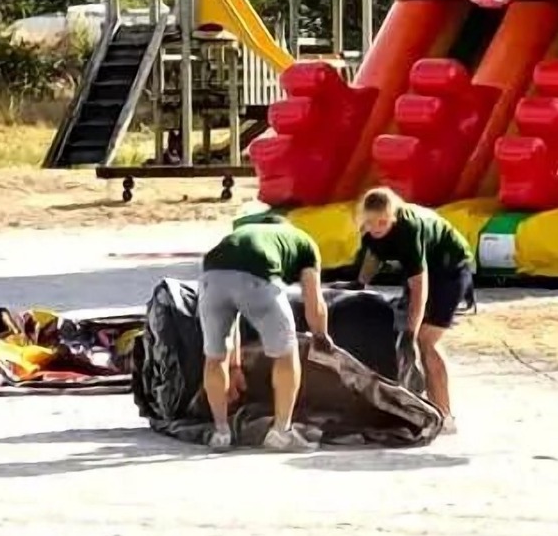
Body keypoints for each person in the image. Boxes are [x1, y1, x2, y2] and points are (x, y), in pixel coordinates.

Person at [198, 215, 332, 452]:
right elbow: (314, 302)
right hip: (257, 276)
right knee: (286, 352)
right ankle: (281, 432)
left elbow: (234, 316)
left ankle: (220, 432)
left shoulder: (243, 234)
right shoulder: (303, 241)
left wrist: (235, 365)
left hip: (211, 276)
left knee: (215, 356)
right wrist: (321, 336)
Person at [351, 187, 474, 433]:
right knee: (402, 331)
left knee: (425, 341)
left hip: (449, 270)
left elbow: (420, 285)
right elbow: (373, 255)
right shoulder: (370, 231)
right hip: (419, 273)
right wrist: (359, 284)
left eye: (382, 222)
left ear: (393, 216)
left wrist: (411, 329)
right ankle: (414, 406)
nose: (376, 227)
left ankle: (446, 417)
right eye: (370, 222)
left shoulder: (409, 229)